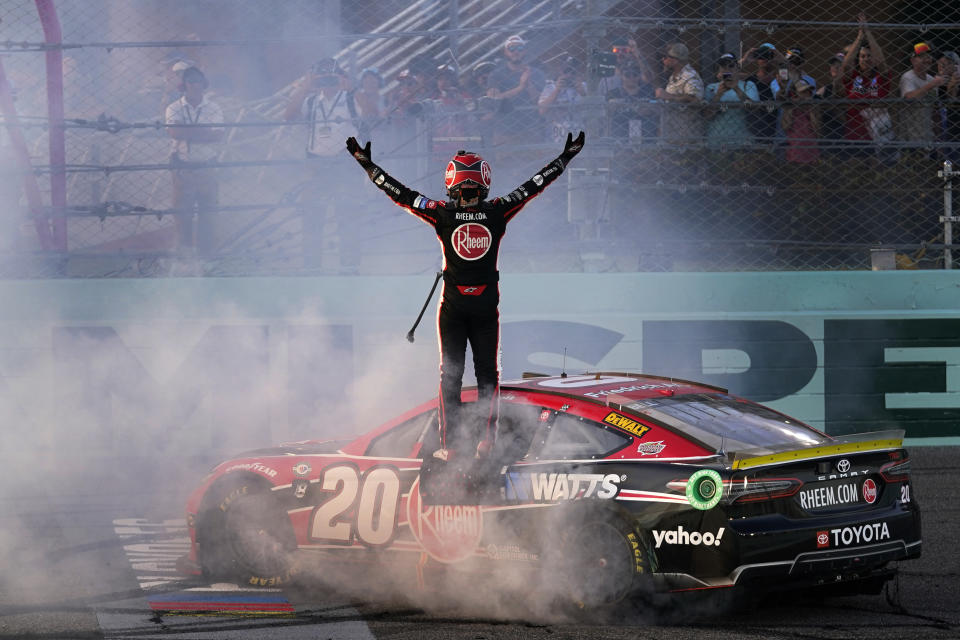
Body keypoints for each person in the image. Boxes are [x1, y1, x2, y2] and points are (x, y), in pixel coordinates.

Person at [344, 131, 585, 461]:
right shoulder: (498, 210)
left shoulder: (440, 212)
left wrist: (366, 165)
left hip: (452, 309)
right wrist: (566, 157)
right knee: (488, 375)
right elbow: (535, 185)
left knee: (450, 377)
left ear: (451, 185)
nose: (468, 195)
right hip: (486, 308)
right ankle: (486, 443)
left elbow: (400, 194)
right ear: (484, 184)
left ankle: (450, 445)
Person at [284, 57, 361, 270]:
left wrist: (351, 87)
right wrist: (304, 87)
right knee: (312, 215)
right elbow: (288, 116)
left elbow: (372, 113)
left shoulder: (350, 99)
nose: (326, 83)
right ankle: (311, 266)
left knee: (348, 214)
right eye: (322, 78)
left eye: (331, 77)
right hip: (315, 164)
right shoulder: (310, 101)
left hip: (344, 163)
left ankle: (349, 265)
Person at [164, 66, 224, 255]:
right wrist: (203, 132)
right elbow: (174, 132)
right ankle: (184, 255)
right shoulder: (174, 107)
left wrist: (187, 132)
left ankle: (206, 255)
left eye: (198, 80)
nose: (195, 84)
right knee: (183, 215)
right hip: (182, 166)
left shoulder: (214, 107)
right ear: (184, 85)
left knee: (207, 213)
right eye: (190, 81)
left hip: (207, 165)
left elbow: (218, 135)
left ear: (204, 84)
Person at [835, 12, 893, 153]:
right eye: (862, 56)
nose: (866, 59)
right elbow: (845, 66)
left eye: (869, 56)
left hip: (879, 136)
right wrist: (860, 36)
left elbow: (881, 62)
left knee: (878, 170)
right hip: (855, 134)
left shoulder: (881, 77)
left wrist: (868, 32)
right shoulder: (853, 76)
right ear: (858, 59)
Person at [486, 34, 546, 148]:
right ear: (505, 52)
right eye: (511, 48)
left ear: (525, 51)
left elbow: (540, 101)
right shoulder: (496, 74)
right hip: (504, 130)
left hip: (531, 129)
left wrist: (528, 84)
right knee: (504, 164)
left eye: (519, 48)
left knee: (535, 164)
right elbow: (493, 99)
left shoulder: (537, 73)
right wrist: (520, 87)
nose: (515, 52)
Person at [703, 53, 759, 149]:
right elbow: (706, 115)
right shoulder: (711, 88)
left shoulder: (748, 85)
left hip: (741, 141)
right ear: (719, 70)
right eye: (723, 67)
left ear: (738, 68)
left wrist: (736, 88)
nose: (727, 70)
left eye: (731, 66)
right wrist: (718, 95)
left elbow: (755, 110)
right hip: (715, 141)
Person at [654, 42, 704, 143]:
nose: (662, 60)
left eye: (665, 57)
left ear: (675, 59)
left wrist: (669, 96)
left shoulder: (690, 76)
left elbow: (695, 99)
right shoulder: (674, 76)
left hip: (686, 135)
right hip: (672, 132)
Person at [899, 42, 943, 150]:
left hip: (929, 135)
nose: (927, 59)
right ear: (913, 60)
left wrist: (938, 133)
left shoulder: (931, 79)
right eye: (922, 57)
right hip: (911, 134)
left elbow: (935, 108)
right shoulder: (908, 77)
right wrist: (932, 85)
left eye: (928, 56)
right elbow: (909, 97)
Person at [538, 56, 587, 143]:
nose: (569, 75)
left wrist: (582, 93)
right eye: (566, 71)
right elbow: (542, 111)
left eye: (573, 72)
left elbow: (595, 109)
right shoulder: (550, 86)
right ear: (559, 71)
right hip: (556, 136)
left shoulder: (584, 86)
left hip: (579, 135)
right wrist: (557, 90)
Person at [740, 42, 782, 143]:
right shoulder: (749, 78)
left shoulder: (781, 79)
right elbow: (724, 74)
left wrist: (782, 60)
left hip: (778, 130)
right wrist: (745, 60)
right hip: (755, 130)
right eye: (762, 56)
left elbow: (800, 76)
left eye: (769, 55)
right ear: (757, 59)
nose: (765, 59)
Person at [605, 62, 657, 142]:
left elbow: (654, 108)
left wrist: (649, 108)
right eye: (627, 75)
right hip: (620, 132)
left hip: (645, 132)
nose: (631, 78)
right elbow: (607, 113)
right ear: (621, 76)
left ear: (639, 76)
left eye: (635, 75)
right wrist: (612, 106)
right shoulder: (613, 93)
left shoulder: (648, 92)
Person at [782, 79, 821, 163]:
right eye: (803, 92)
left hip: (811, 150)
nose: (807, 94)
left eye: (809, 91)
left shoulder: (814, 107)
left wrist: (812, 110)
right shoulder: (790, 107)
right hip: (795, 151)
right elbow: (786, 126)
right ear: (796, 94)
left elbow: (817, 128)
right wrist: (793, 107)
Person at [814, 52, 847, 149]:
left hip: (846, 138)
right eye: (833, 65)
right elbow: (814, 111)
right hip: (827, 138)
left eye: (839, 65)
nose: (835, 67)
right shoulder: (824, 90)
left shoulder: (851, 88)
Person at [936, 51, 960, 161]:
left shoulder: (956, 78)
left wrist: (953, 85)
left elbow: (952, 100)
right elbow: (946, 102)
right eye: (940, 64)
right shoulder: (937, 81)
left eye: (946, 64)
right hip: (943, 122)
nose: (942, 67)